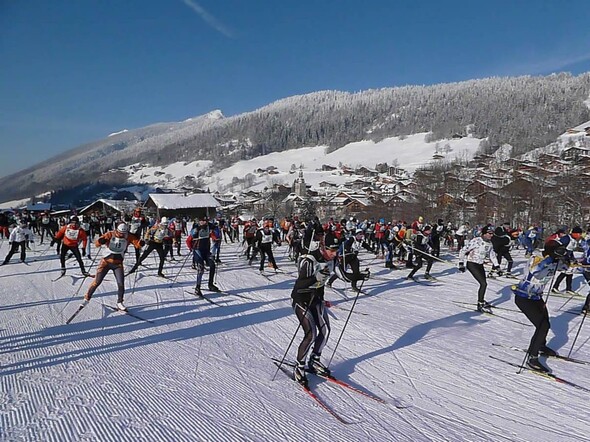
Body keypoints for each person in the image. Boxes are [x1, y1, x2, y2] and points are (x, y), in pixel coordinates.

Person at [290, 224, 339, 386]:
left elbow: (326, 281)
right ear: (324, 247)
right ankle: (299, 366)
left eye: (336, 251)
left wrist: (360, 276)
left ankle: (314, 360)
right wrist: (315, 278)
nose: (334, 254)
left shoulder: (331, 260)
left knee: (325, 330)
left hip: (316, 299)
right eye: (332, 251)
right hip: (301, 300)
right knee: (310, 334)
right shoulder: (308, 260)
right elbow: (299, 286)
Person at [511, 240, 567, 372]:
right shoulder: (537, 257)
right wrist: (550, 259)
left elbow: (567, 269)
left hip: (537, 297)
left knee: (545, 322)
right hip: (524, 297)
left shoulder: (554, 260)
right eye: (557, 251)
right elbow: (535, 271)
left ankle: (541, 345)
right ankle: (532, 357)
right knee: (543, 326)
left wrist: (567, 261)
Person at [83, 223, 143, 311]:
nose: (122, 235)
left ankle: (120, 302)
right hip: (105, 263)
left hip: (118, 264)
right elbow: (97, 243)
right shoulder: (110, 234)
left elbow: (137, 244)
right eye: (120, 233)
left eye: (124, 233)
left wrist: (141, 243)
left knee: (121, 283)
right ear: (116, 231)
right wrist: (101, 241)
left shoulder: (128, 236)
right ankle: (87, 298)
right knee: (97, 281)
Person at [458, 225, 499, 313]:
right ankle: (480, 304)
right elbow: (463, 250)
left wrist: (497, 266)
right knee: (483, 284)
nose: (491, 235)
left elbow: (492, 255)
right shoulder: (476, 241)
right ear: (484, 233)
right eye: (489, 233)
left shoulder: (490, 243)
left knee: (484, 284)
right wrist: (461, 263)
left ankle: (481, 300)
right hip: (472, 264)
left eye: (492, 234)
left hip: (480, 265)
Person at [186, 216, 219, 296]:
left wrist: (216, 238)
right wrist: (191, 248)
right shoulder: (196, 229)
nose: (204, 223)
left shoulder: (208, 228)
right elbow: (188, 240)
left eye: (205, 221)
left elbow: (213, 235)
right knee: (200, 268)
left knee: (212, 265)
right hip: (198, 250)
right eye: (202, 221)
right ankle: (198, 288)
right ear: (199, 222)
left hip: (206, 251)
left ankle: (210, 285)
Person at [551, 226, 582, 294]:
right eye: (579, 234)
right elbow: (558, 247)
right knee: (565, 272)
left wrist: (573, 259)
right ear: (574, 233)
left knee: (569, 273)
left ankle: (568, 289)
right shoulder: (567, 238)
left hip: (568, 258)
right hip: (562, 258)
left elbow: (570, 250)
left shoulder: (574, 240)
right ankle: (555, 287)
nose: (580, 235)